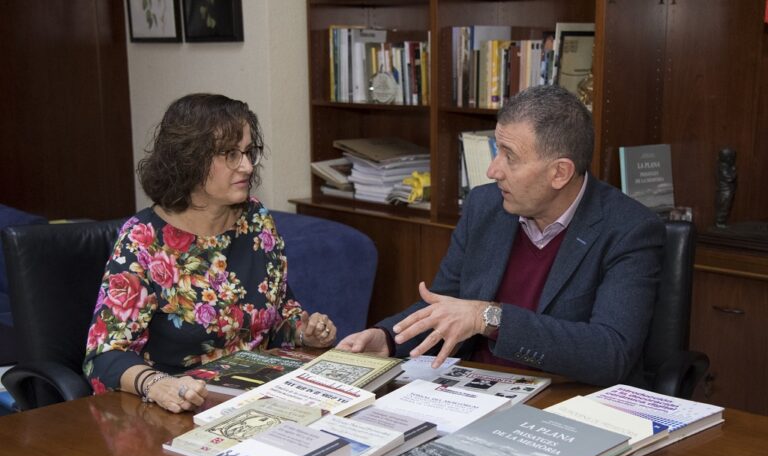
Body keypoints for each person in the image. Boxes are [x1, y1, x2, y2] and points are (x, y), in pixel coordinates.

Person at [338, 85, 665, 388]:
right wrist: (388, 338)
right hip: (472, 389)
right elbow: (447, 303)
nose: (493, 171)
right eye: (497, 151)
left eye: (510, 156)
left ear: (559, 173)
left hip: (564, 400)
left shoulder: (628, 229)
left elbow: (610, 353)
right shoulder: (485, 205)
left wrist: (489, 318)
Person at [84, 93, 337, 413]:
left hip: (255, 398)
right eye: (230, 154)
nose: (247, 166)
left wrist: (305, 331)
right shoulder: (143, 239)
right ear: (189, 158)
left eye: (248, 152)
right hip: (176, 406)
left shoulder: (256, 221)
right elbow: (103, 356)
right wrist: (156, 384)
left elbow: (278, 314)